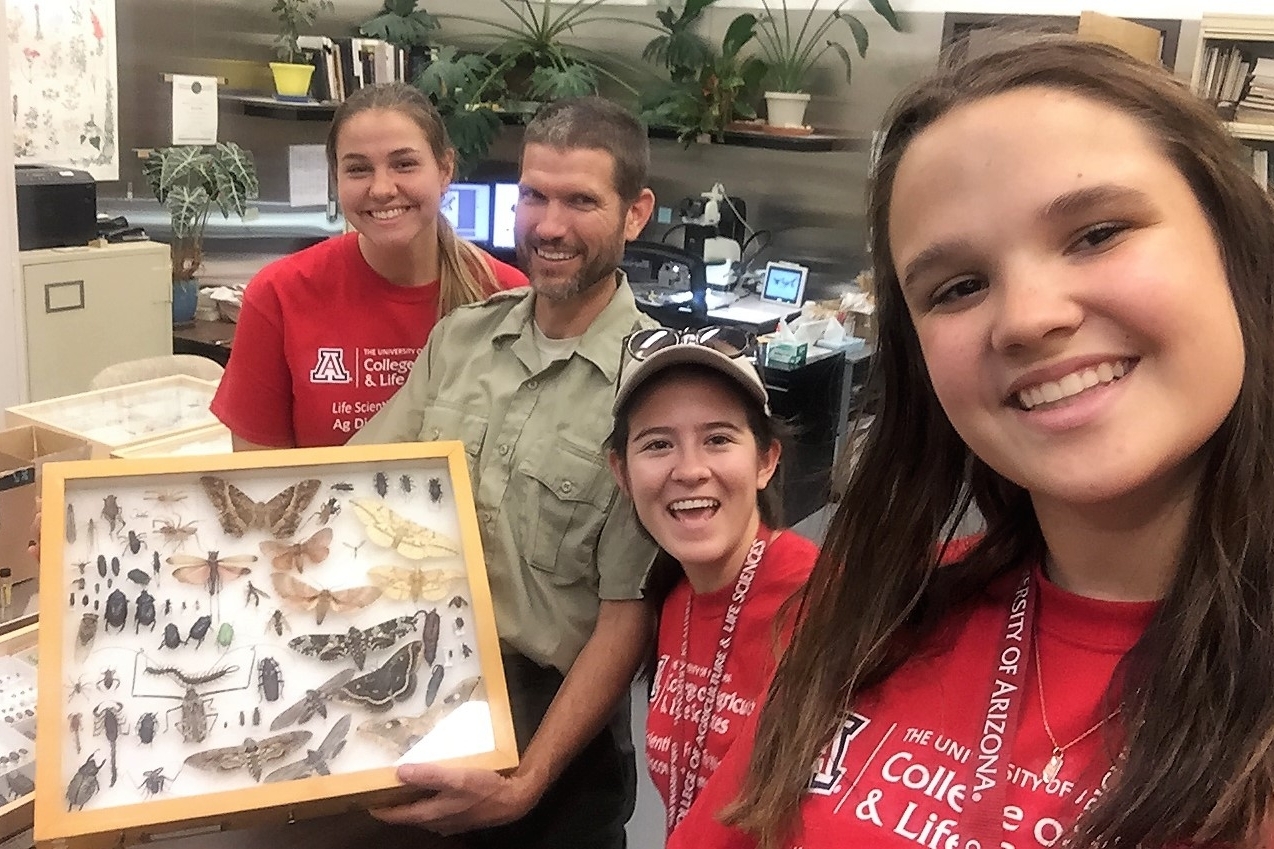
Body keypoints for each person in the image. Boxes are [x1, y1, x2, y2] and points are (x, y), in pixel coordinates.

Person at [669, 37, 1274, 849]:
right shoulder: (877, 616)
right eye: (958, 286)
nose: (1028, 318)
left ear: (1233, 249)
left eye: (1097, 233)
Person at [349, 96, 660, 848]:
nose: (548, 226)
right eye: (534, 196)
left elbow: (628, 615)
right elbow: (351, 484)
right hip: (416, 689)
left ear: (635, 212)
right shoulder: (460, 340)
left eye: (581, 200)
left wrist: (527, 780)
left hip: (554, 735)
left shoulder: (655, 388)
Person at [211, 82, 526, 450]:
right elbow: (258, 479)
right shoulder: (279, 295)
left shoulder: (507, 297)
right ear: (336, 179)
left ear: (445, 170)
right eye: (358, 169)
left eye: (404, 164)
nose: (381, 189)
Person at [606, 327, 818, 837]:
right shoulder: (674, 600)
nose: (690, 470)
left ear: (766, 461)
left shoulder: (825, 602)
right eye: (658, 444)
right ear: (622, 473)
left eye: (718, 439)